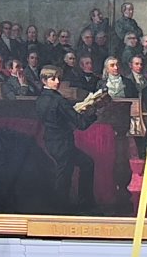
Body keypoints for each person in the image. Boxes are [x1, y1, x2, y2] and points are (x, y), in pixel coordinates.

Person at [35, 66, 105, 211]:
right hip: (63, 143)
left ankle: (83, 203)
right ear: (44, 80)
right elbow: (81, 124)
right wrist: (94, 112)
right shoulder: (59, 101)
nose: (57, 82)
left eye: (59, 78)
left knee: (86, 164)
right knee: (64, 175)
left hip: (50, 141)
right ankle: (64, 208)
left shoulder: (40, 99)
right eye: (53, 79)